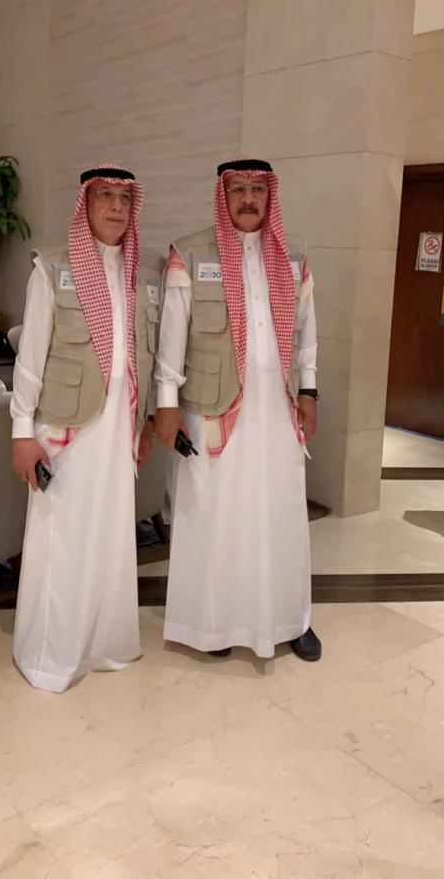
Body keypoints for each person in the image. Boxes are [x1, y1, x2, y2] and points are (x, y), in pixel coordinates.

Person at [155, 156, 321, 661]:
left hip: (278, 410)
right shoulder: (190, 254)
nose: (249, 199)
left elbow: (307, 333)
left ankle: (291, 619)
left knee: (282, 511)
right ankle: (215, 626)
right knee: (214, 513)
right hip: (212, 407)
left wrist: (310, 392)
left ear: (270, 196)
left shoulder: (293, 256)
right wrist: (166, 406)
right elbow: (171, 338)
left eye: (257, 189)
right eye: (238, 190)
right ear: (222, 194)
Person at [11, 162, 162, 693]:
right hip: (65, 431)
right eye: (105, 197)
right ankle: (51, 654)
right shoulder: (52, 268)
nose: (116, 207)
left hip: (120, 430)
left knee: (111, 537)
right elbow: (31, 359)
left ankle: (105, 644)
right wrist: (21, 433)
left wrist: (145, 425)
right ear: (86, 203)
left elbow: (145, 358)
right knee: (63, 541)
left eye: (124, 198)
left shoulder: (144, 273)